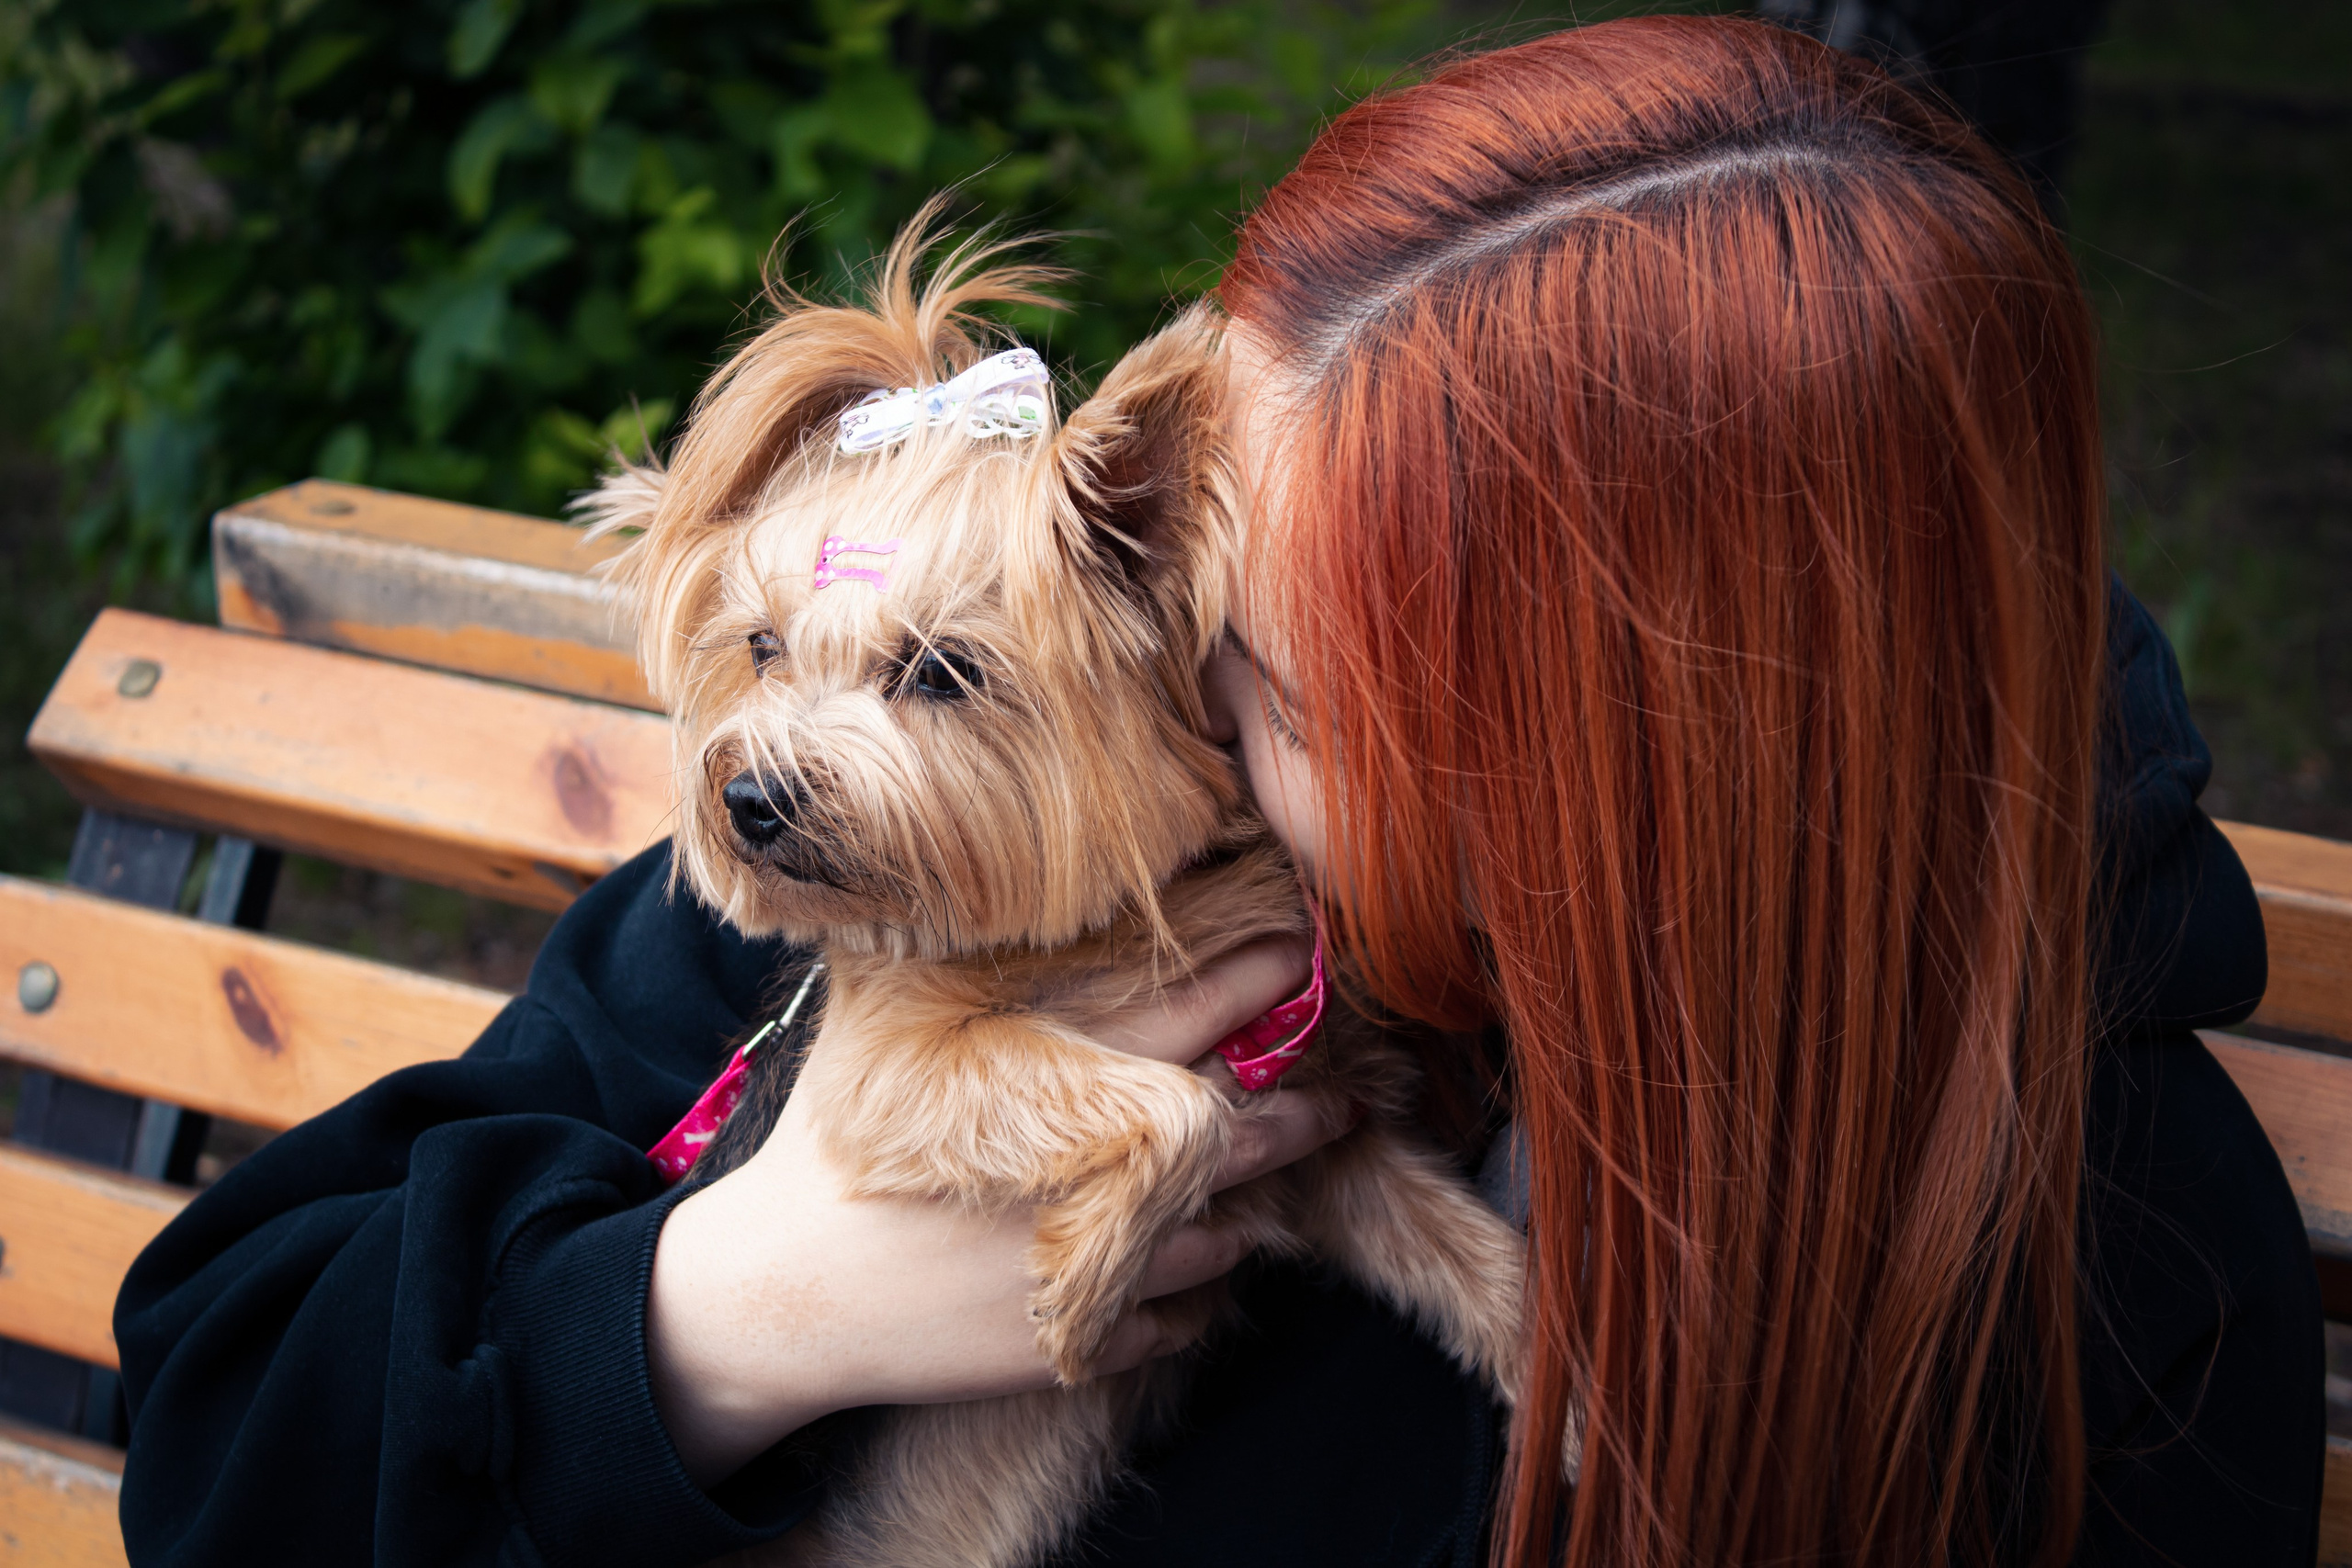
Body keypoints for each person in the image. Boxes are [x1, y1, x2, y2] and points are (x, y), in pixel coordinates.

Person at [114, 17, 2317, 1566]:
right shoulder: (908, 880)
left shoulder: (2090, 1273)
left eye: (1251, 668)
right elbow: (228, 1419)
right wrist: (738, 1305)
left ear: (1614, 767)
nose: (1145, 697)